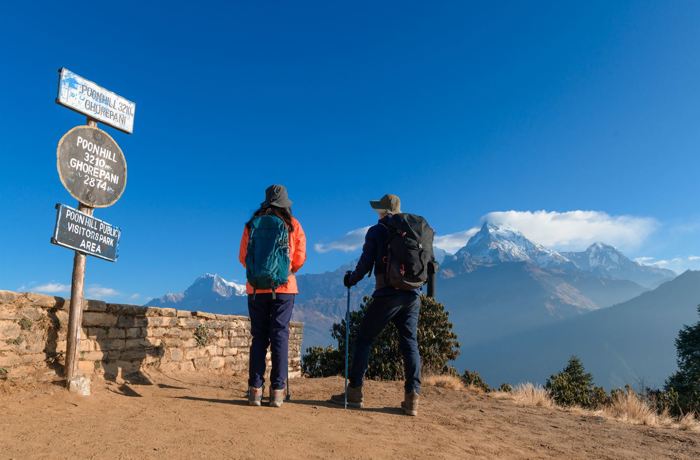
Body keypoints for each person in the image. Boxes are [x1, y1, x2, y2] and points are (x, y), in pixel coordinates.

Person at [330, 193, 429, 416]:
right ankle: (412, 398)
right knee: (409, 343)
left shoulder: (377, 231)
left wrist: (351, 279)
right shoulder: (412, 231)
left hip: (387, 294)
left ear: (382, 211)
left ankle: (354, 392)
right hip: (413, 294)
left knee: (364, 339)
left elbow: (366, 262)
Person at [239, 184, 306, 407]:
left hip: (256, 288)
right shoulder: (293, 225)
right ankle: (277, 391)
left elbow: (243, 258)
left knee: (259, 337)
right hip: (284, 288)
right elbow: (299, 258)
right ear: (285, 204)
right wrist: (284, 272)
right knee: (279, 336)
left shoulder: (252, 225)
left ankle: (254, 390)